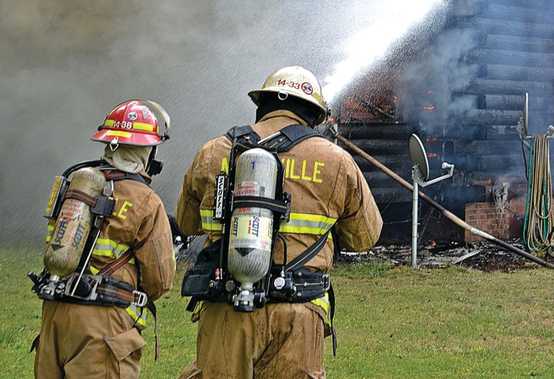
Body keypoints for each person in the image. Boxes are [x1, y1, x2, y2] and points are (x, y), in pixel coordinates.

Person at [176, 66, 383, 379]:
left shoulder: (212, 151)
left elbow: (187, 223)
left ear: (261, 106)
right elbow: (364, 238)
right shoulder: (336, 160)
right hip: (297, 313)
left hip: (224, 307)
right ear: (314, 115)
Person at [32, 100, 176, 379]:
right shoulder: (146, 200)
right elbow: (160, 280)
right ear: (148, 150)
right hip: (103, 325)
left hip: (54, 314)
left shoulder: (76, 185)